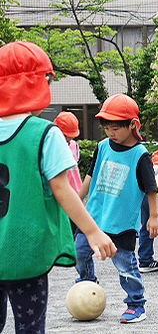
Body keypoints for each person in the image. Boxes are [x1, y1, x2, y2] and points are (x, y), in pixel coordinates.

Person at [0, 41, 116, 333]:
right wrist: (92, 230)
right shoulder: (45, 133)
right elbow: (62, 189)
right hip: (25, 250)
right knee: (29, 326)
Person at [77, 93, 158, 323]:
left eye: (116, 128)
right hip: (94, 216)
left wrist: (153, 217)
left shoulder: (140, 155)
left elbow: (151, 188)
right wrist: (76, 199)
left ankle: (136, 304)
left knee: (125, 265)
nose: (110, 133)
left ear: (132, 125)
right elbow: (90, 175)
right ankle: (88, 281)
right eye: (106, 128)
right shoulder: (103, 146)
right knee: (80, 251)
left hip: (121, 223)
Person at [54, 111, 82, 234]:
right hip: (60, 199)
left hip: (76, 196)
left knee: (76, 234)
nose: (68, 139)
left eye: (71, 136)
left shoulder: (74, 146)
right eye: (65, 136)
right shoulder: (50, 147)